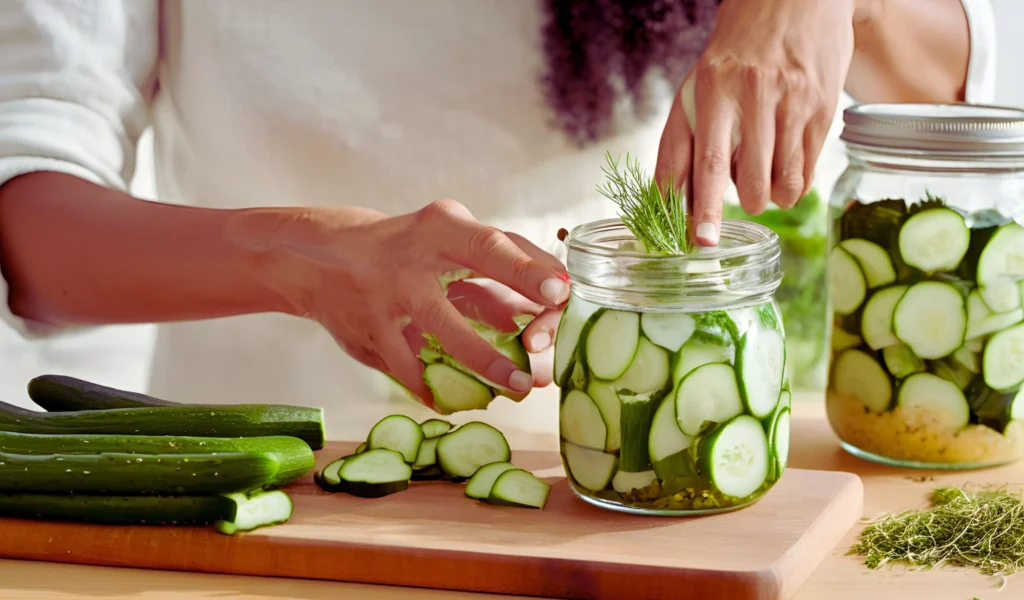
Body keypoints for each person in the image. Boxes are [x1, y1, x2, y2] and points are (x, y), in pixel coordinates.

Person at [0, 0, 996, 445]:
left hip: (648, 481)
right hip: (287, 473)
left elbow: (963, 85)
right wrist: (301, 260)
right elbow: (31, 226)